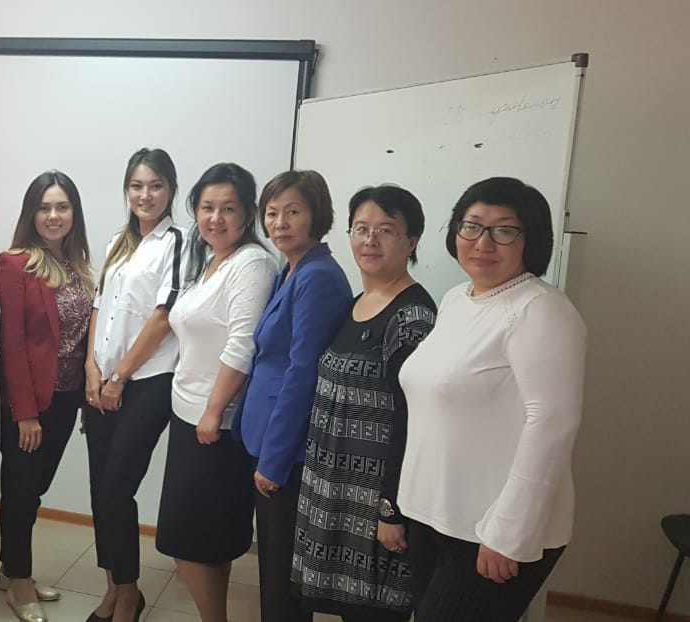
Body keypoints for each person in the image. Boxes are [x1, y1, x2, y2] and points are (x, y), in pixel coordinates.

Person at [397, 177, 586, 622]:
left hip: (490, 528)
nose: (483, 242)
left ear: (530, 239)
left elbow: (552, 423)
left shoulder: (541, 309)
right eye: (472, 226)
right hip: (435, 512)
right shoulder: (456, 299)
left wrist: (508, 531)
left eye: (504, 230)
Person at [291, 185, 436, 621]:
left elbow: (413, 423)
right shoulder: (357, 304)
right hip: (334, 496)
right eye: (361, 229)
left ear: (412, 241)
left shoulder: (412, 318)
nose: (370, 240)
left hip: (376, 507)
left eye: (386, 230)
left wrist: (391, 509)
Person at [158, 163, 277, 622]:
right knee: (208, 540)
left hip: (216, 425)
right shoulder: (211, 260)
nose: (216, 218)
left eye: (228, 208)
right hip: (189, 413)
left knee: (184, 540)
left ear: (248, 213)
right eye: (207, 207)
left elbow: (243, 344)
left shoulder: (252, 264)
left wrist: (213, 411)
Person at [233, 169, 353, 622]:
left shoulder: (318, 276)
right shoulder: (292, 269)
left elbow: (303, 371)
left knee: (283, 578)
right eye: (272, 213)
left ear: (316, 215)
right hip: (266, 435)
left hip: (288, 450)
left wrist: (274, 458)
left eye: (293, 212)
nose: (280, 223)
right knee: (275, 568)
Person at [84, 148, 182, 622]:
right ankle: (115, 589)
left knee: (115, 491)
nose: (146, 195)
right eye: (137, 185)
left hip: (147, 381)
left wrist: (120, 376)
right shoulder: (117, 243)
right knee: (100, 491)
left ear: (171, 190)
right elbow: (98, 306)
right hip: (102, 381)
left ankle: (128, 596)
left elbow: (164, 317)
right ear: (127, 189)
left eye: (156, 185)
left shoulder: (179, 243)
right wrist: (91, 368)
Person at [0, 171, 94, 622]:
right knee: (20, 490)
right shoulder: (15, 264)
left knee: (34, 489)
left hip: (68, 398)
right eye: (45, 207)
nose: (54, 216)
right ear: (31, 214)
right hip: (30, 402)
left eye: (62, 207)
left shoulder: (77, 265)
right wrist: (24, 413)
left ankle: (9, 568)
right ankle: (19, 581)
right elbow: (11, 343)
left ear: (74, 213)